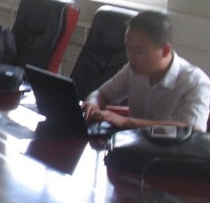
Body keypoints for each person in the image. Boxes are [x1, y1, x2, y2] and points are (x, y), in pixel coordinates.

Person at [82, 11, 210, 132]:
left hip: (170, 148)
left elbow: (193, 130)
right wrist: (93, 104)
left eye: (139, 51)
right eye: (128, 48)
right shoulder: (133, 69)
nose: (130, 57)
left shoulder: (196, 82)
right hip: (132, 143)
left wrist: (126, 122)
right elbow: (102, 93)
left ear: (165, 50)